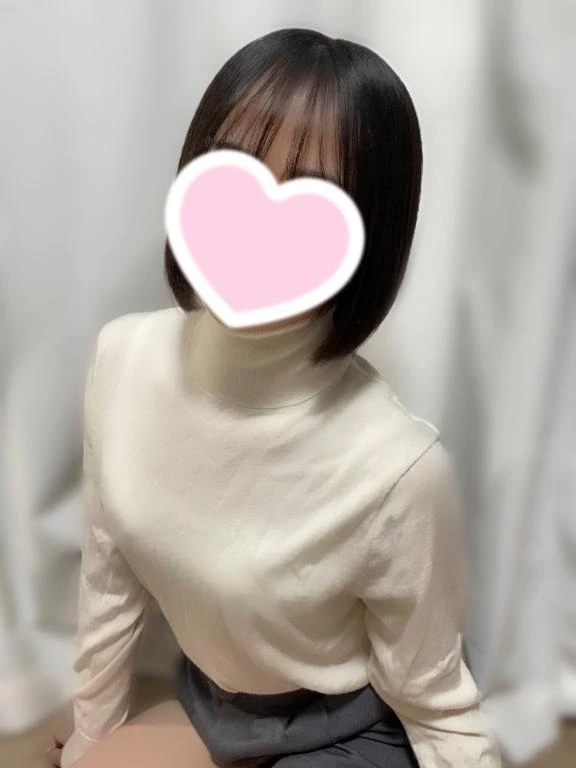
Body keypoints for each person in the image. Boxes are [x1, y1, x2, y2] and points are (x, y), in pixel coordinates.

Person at [52, 28, 502, 768]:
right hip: (218, 703)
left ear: (370, 231)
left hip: (357, 722)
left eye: (313, 195)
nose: (255, 226)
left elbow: (438, 701)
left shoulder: (400, 468)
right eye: (232, 168)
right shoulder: (122, 358)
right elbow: (109, 576)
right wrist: (92, 734)